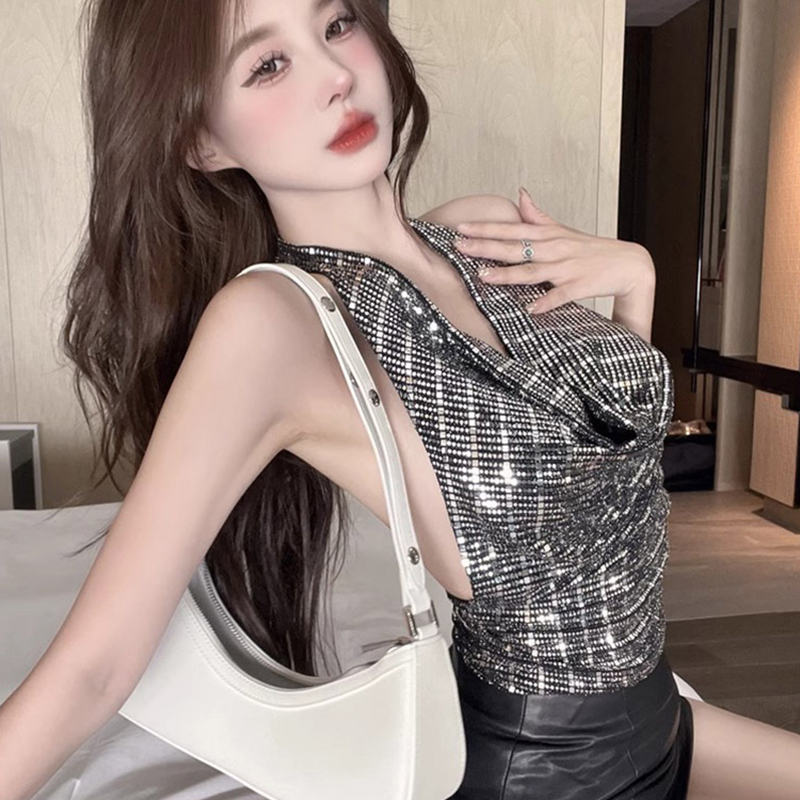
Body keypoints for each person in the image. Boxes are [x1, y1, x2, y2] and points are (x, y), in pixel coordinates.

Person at [0, 0, 799, 798]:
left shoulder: (484, 233)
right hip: (542, 768)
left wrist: (638, 284)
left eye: (337, 25)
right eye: (268, 65)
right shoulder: (272, 325)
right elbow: (93, 668)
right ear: (202, 141)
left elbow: (608, 472)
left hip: (659, 715)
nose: (336, 77)